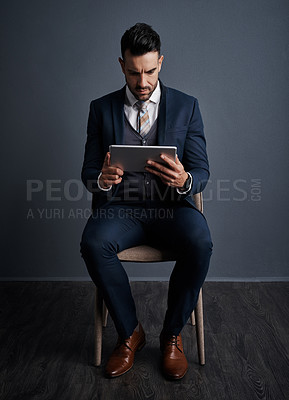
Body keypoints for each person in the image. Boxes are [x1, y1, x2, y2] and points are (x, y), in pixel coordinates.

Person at [80, 23, 213, 380]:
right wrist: (100, 180)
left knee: (200, 241)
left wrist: (185, 180)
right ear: (121, 64)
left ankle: (172, 335)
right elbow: (88, 172)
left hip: (171, 209)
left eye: (150, 71)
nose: (142, 82)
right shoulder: (101, 109)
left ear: (161, 63)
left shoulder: (187, 107)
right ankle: (130, 334)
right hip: (121, 210)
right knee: (93, 242)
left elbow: (202, 170)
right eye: (134, 71)